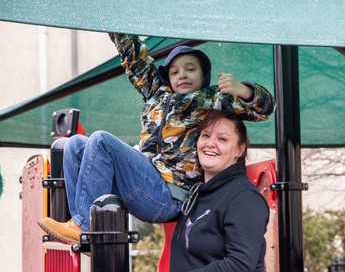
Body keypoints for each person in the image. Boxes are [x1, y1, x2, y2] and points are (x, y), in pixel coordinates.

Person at [38, 34, 275, 242]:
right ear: (167, 78)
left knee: (101, 140)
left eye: (190, 69)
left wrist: (243, 90)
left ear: (204, 76)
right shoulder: (156, 94)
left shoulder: (211, 99)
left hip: (168, 196)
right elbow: (135, 59)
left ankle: (87, 228)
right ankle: (81, 222)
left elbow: (264, 109)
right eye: (174, 72)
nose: (182, 75)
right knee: (75, 144)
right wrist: (115, 22)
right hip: (143, 184)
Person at [154, 110, 274, 272]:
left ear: (239, 149)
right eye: (206, 135)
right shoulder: (200, 192)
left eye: (222, 139)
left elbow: (240, 263)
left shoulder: (244, 198)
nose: (210, 143)